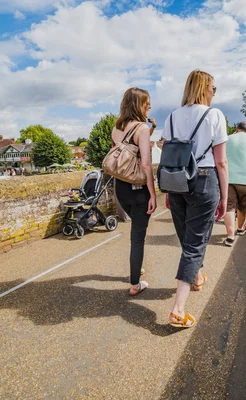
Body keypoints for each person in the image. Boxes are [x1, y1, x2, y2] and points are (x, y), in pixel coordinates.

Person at [163, 69, 229, 328]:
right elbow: (221, 162)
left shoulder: (171, 117)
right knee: (195, 243)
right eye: (213, 87)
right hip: (204, 180)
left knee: (187, 239)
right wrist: (224, 196)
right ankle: (178, 309)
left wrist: (168, 192)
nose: (214, 92)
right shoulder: (215, 116)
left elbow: (170, 156)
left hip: (176, 182)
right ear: (204, 88)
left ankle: (197, 276)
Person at [111, 87, 157, 296]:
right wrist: (153, 194)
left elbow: (126, 154)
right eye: (147, 103)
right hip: (139, 189)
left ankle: (136, 269)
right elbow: (146, 164)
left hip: (121, 188)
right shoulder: (142, 129)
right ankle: (135, 284)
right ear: (139, 105)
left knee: (135, 233)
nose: (150, 106)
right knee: (137, 237)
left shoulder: (117, 128)